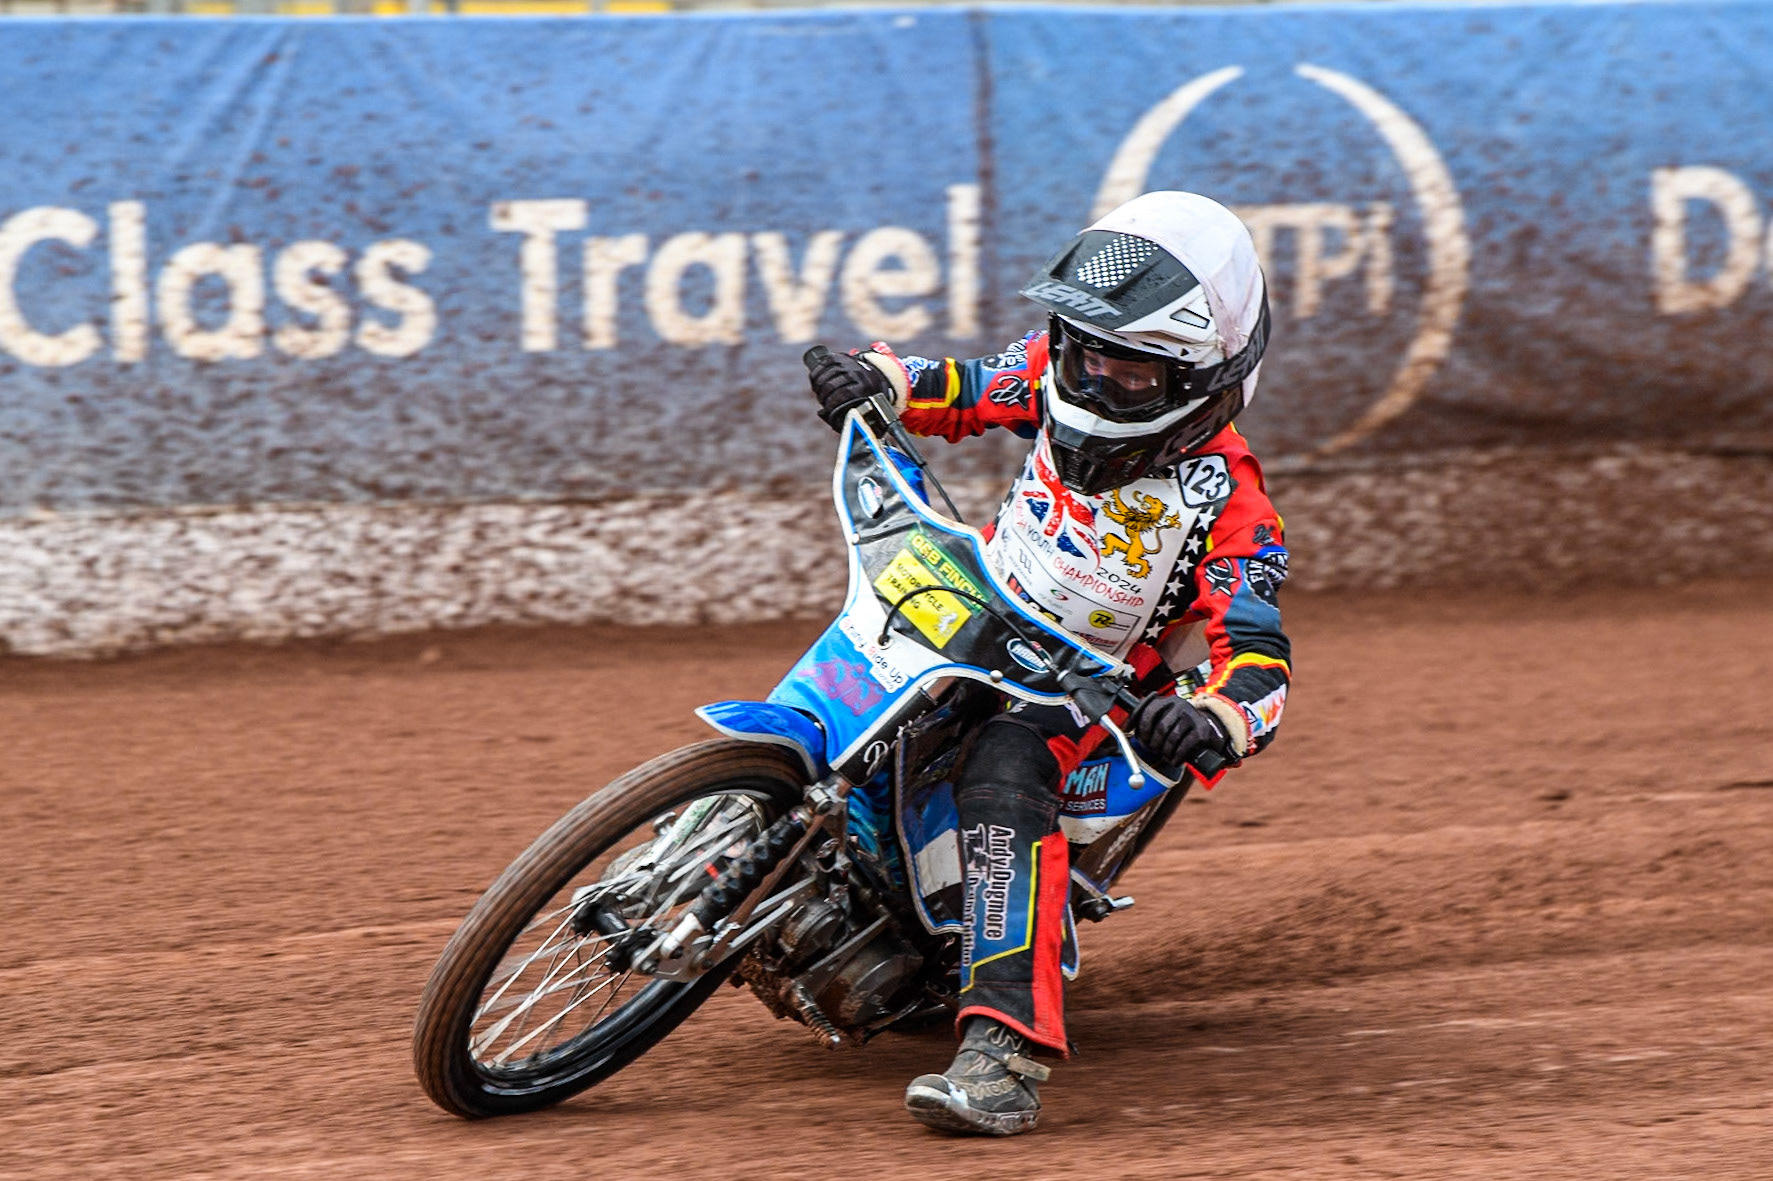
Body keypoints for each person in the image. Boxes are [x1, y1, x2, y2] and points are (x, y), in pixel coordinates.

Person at [806, 191, 1292, 1136]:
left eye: (1133, 369)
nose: (1098, 377)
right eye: (1083, 349)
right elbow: (959, 384)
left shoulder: (1232, 508)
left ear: (1209, 374)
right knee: (845, 709)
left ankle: (1004, 1054)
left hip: (1085, 695)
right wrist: (875, 379)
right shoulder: (1050, 372)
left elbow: (1261, 661)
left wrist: (1213, 715)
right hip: (971, 608)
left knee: (1003, 770)